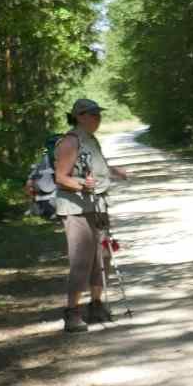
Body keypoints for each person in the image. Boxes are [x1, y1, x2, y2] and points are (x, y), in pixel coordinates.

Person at [53, 98, 132, 333]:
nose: (98, 118)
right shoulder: (70, 141)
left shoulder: (91, 139)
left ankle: (96, 305)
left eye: (99, 114)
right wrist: (82, 185)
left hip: (97, 205)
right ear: (79, 116)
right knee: (81, 259)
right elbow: (61, 177)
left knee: (103, 254)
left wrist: (113, 172)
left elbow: (97, 168)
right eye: (93, 114)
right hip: (75, 209)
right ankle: (72, 313)